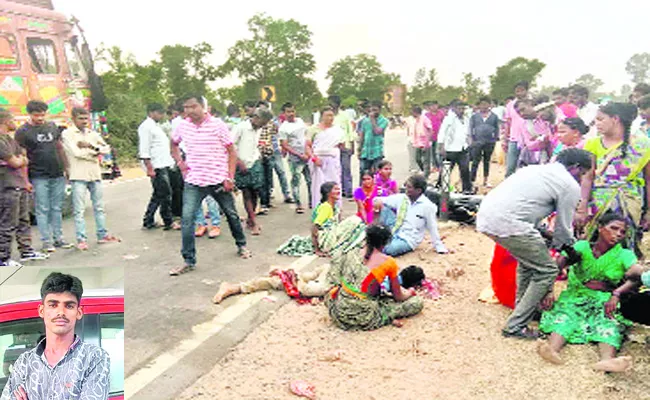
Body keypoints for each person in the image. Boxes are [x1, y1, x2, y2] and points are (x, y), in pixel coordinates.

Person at [476, 148, 593, 339]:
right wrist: (571, 250)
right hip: (510, 223)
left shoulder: (535, 170)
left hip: (488, 217)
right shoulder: (568, 185)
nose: (581, 179)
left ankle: (524, 310)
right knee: (547, 270)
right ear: (575, 167)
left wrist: (547, 235)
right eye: (582, 174)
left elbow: (527, 206)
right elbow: (563, 230)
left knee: (528, 263)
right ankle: (515, 326)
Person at [537, 213, 639, 372]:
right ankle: (552, 349)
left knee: (608, 322)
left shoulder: (624, 254)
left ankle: (607, 361)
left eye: (622, 232)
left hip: (603, 299)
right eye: (614, 228)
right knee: (565, 316)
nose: (618, 234)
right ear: (600, 228)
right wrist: (549, 290)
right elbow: (556, 266)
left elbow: (635, 275)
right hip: (576, 295)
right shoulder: (582, 247)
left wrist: (617, 293)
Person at [169, 94, 251, 276]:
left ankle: (242, 245)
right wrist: (180, 163)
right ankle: (188, 260)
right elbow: (173, 144)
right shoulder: (182, 125)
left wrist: (229, 177)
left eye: (193, 106)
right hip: (194, 181)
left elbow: (231, 151)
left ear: (203, 107)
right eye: (186, 107)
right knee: (187, 218)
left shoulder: (218, 125)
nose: (190, 110)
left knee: (231, 214)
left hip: (218, 180)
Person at [1, 272, 110, 400]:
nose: (60, 312)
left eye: (69, 306)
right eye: (53, 305)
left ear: (79, 312)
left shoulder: (94, 358)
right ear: (42, 311)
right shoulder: (24, 362)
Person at [576, 102, 650, 256]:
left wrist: (649, 211)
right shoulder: (592, 143)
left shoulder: (642, 145)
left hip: (630, 201)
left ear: (615, 119)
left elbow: (649, 180)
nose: (596, 124)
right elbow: (587, 177)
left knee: (624, 240)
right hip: (599, 202)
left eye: (600, 119)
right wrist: (582, 206)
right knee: (595, 241)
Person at [326, 224, 425, 331]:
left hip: (339, 311)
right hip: (364, 315)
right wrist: (409, 292)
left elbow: (337, 279)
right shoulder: (388, 262)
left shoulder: (352, 252)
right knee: (417, 302)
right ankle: (385, 318)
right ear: (385, 243)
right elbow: (398, 296)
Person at [15, 100, 72, 252]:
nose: (40, 118)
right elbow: (22, 156)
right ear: (29, 114)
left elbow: (59, 148)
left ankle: (59, 238)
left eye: (42, 115)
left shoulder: (52, 127)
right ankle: (46, 241)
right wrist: (25, 180)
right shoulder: (23, 132)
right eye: (36, 115)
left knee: (56, 207)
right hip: (38, 175)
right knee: (42, 208)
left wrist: (66, 168)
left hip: (57, 172)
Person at [62, 107, 120, 250]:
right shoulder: (68, 134)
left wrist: (90, 147)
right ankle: (81, 239)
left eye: (86, 118)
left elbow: (106, 149)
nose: (84, 121)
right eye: (81, 118)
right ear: (73, 119)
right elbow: (76, 153)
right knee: (79, 210)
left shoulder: (92, 134)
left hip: (94, 174)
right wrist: (94, 153)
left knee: (99, 207)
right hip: (78, 175)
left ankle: (102, 235)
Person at [0, 109, 48, 267]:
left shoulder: (10, 139)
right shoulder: (1, 141)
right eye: (13, 118)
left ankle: (26, 250)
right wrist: (19, 160)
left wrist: (19, 160)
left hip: (18, 184)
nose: (15, 122)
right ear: (6, 121)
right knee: (7, 223)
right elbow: (15, 161)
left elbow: (23, 157)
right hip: (6, 186)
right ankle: (3, 258)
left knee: (23, 220)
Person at [277, 182, 365, 257]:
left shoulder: (335, 206)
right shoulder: (326, 207)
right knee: (355, 220)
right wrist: (317, 250)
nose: (338, 191)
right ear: (328, 193)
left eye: (338, 189)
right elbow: (314, 228)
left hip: (332, 236)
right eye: (335, 189)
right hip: (325, 240)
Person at [373, 174, 448, 256]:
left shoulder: (428, 206)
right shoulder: (402, 198)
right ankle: (378, 234)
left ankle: (380, 243)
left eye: (409, 187)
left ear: (418, 190)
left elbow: (432, 227)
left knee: (389, 249)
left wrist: (439, 246)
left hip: (408, 239)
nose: (406, 189)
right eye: (406, 186)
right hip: (395, 229)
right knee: (384, 207)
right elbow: (379, 200)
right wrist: (377, 203)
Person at [232, 108, 273, 236]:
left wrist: (259, 155)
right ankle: (254, 221)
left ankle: (251, 218)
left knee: (256, 191)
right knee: (247, 192)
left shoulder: (259, 129)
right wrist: (238, 161)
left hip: (254, 162)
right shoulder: (241, 127)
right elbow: (230, 145)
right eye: (263, 122)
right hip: (242, 163)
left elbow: (254, 144)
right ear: (256, 117)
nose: (263, 125)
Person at [139, 103, 177, 230]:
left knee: (158, 194)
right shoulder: (146, 127)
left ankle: (148, 220)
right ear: (151, 112)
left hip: (163, 163)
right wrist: (149, 167)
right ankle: (168, 220)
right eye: (159, 113)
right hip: (156, 165)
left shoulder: (155, 126)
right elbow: (144, 149)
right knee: (166, 194)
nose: (161, 116)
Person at [306, 107, 343, 209]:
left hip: (332, 162)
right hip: (318, 162)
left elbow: (340, 145)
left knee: (334, 185)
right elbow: (308, 146)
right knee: (318, 186)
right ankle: (319, 210)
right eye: (328, 115)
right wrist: (314, 159)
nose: (330, 118)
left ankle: (336, 210)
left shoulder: (337, 130)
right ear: (322, 116)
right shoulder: (313, 129)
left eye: (332, 115)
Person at [279, 102, 312, 213]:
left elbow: (306, 136)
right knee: (296, 181)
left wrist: (308, 152)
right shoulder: (284, 128)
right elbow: (284, 144)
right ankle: (298, 204)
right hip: (295, 158)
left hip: (306, 155)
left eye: (292, 111)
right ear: (284, 113)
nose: (291, 114)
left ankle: (312, 201)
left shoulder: (300, 122)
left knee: (310, 180)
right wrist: (299, 155)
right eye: (288, 112)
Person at [438, 100, 472, 194]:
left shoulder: (466, 119)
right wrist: (441, 146)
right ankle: (441, 188)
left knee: (465, 169)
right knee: (446, 170)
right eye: (459, 108)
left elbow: (467, 131)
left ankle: (467, 190)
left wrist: (469, 140)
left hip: (462, 148)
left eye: (463, 108)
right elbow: (442, 132)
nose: (461, 110)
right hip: (450, 149)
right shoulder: (449, 118)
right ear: (454, 108)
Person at [328, 95, 355, 199]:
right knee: (334, 170)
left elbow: (350, 131)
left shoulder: (345, 116)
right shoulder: (327, 116)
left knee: (346, 169)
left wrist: (352, 145)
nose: (331, 106)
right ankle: (336, 191)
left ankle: (348, 191)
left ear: (338, 105)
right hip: (332, 147)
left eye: (333, 104)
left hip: (345, 147)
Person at [469, 97, 500, 187]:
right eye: (482, 104)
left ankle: (485, 180)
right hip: (477, 141)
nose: (484, 106)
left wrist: (495, 138)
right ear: (479, 105)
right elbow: (471, 128)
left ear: (490, 105)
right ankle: (472, 180)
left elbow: (496, 128)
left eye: (486, 104)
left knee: (487, 161)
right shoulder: (474, 116)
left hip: (489, 142)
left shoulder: (494, 116)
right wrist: (472, 140)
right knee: (475, 161)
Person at [503, 81, 531, 177]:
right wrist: (505, 140)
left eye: (522, 90)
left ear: (527, 91)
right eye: (517, 91)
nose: (519, 93)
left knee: (526, 167)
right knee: (510, 167)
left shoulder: (532, 103)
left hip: (529, 140)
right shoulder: (510, 105)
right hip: (514, 139)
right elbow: (508, 122)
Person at [358, 101, 388, 178]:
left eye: (375, 110)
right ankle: (363, 188)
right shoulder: (364, 121)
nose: (372, 112)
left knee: (376, 172)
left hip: (377, 151)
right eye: (371, 110)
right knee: (363, 171)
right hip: (366, 150)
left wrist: (372, 120)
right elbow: (362, 135)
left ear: (380, 110)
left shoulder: (384, 121)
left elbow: (377, 131)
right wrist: (359, 149)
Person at [407, 105, 433, 178]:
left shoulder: (425, 119)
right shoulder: (413, 119)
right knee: (417, 159)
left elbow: (430, 130)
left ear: (416, 112)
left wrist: (427, 142)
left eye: (413, 112)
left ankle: (426, 174)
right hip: (417, 143)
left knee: (426, 160)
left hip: (425, 143)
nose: (412, 114)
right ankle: (424, 171)